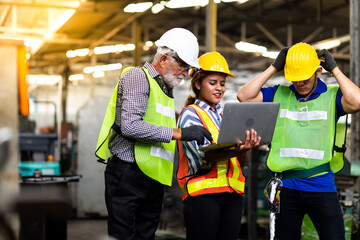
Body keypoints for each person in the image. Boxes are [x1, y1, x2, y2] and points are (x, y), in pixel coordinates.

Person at [95, 28, 213, 240]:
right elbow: (130, 126)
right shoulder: (138, 77)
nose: (186, 73)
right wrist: (180, 133)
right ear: (164, 58)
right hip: (128, 175)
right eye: (183, 66)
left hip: (152, 178)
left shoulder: (165, 90)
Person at [237, 42, 360, 240]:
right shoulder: (279, 94)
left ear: (318, 72)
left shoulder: (332, 97)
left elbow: (357, 101)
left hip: (321, 184)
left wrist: (335, 69)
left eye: (304, 78)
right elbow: (244, 96)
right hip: (286, 188)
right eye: (294, 79)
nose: (299, 83)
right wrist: (274, 67)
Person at [177, 52, 261, 240]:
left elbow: (241, 161)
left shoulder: (226, 116)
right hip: (203, 196)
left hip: (232, 195)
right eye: (213, 83)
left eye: (222, 84)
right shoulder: (190, 114)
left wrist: (245, 148)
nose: (219, 89)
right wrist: (234, 150)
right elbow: (204, 156)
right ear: (198, 84)